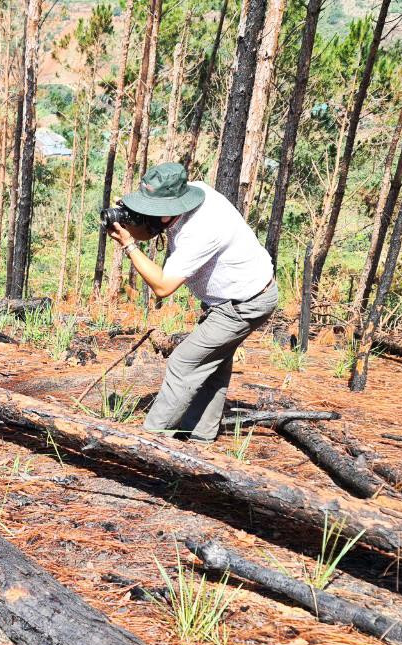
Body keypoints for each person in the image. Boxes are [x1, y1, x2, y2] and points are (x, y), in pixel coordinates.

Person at [106, 162, 277, 443]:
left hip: (245, 304)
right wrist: (132, 217)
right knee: (211, 366)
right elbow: (152, 227)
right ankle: (198, 437)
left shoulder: (201, 230)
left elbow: (162, 287)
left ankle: (150, 441)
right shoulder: (190, 193)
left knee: (183, 363)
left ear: (170, 209)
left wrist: (128, 244)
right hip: (236, 297)